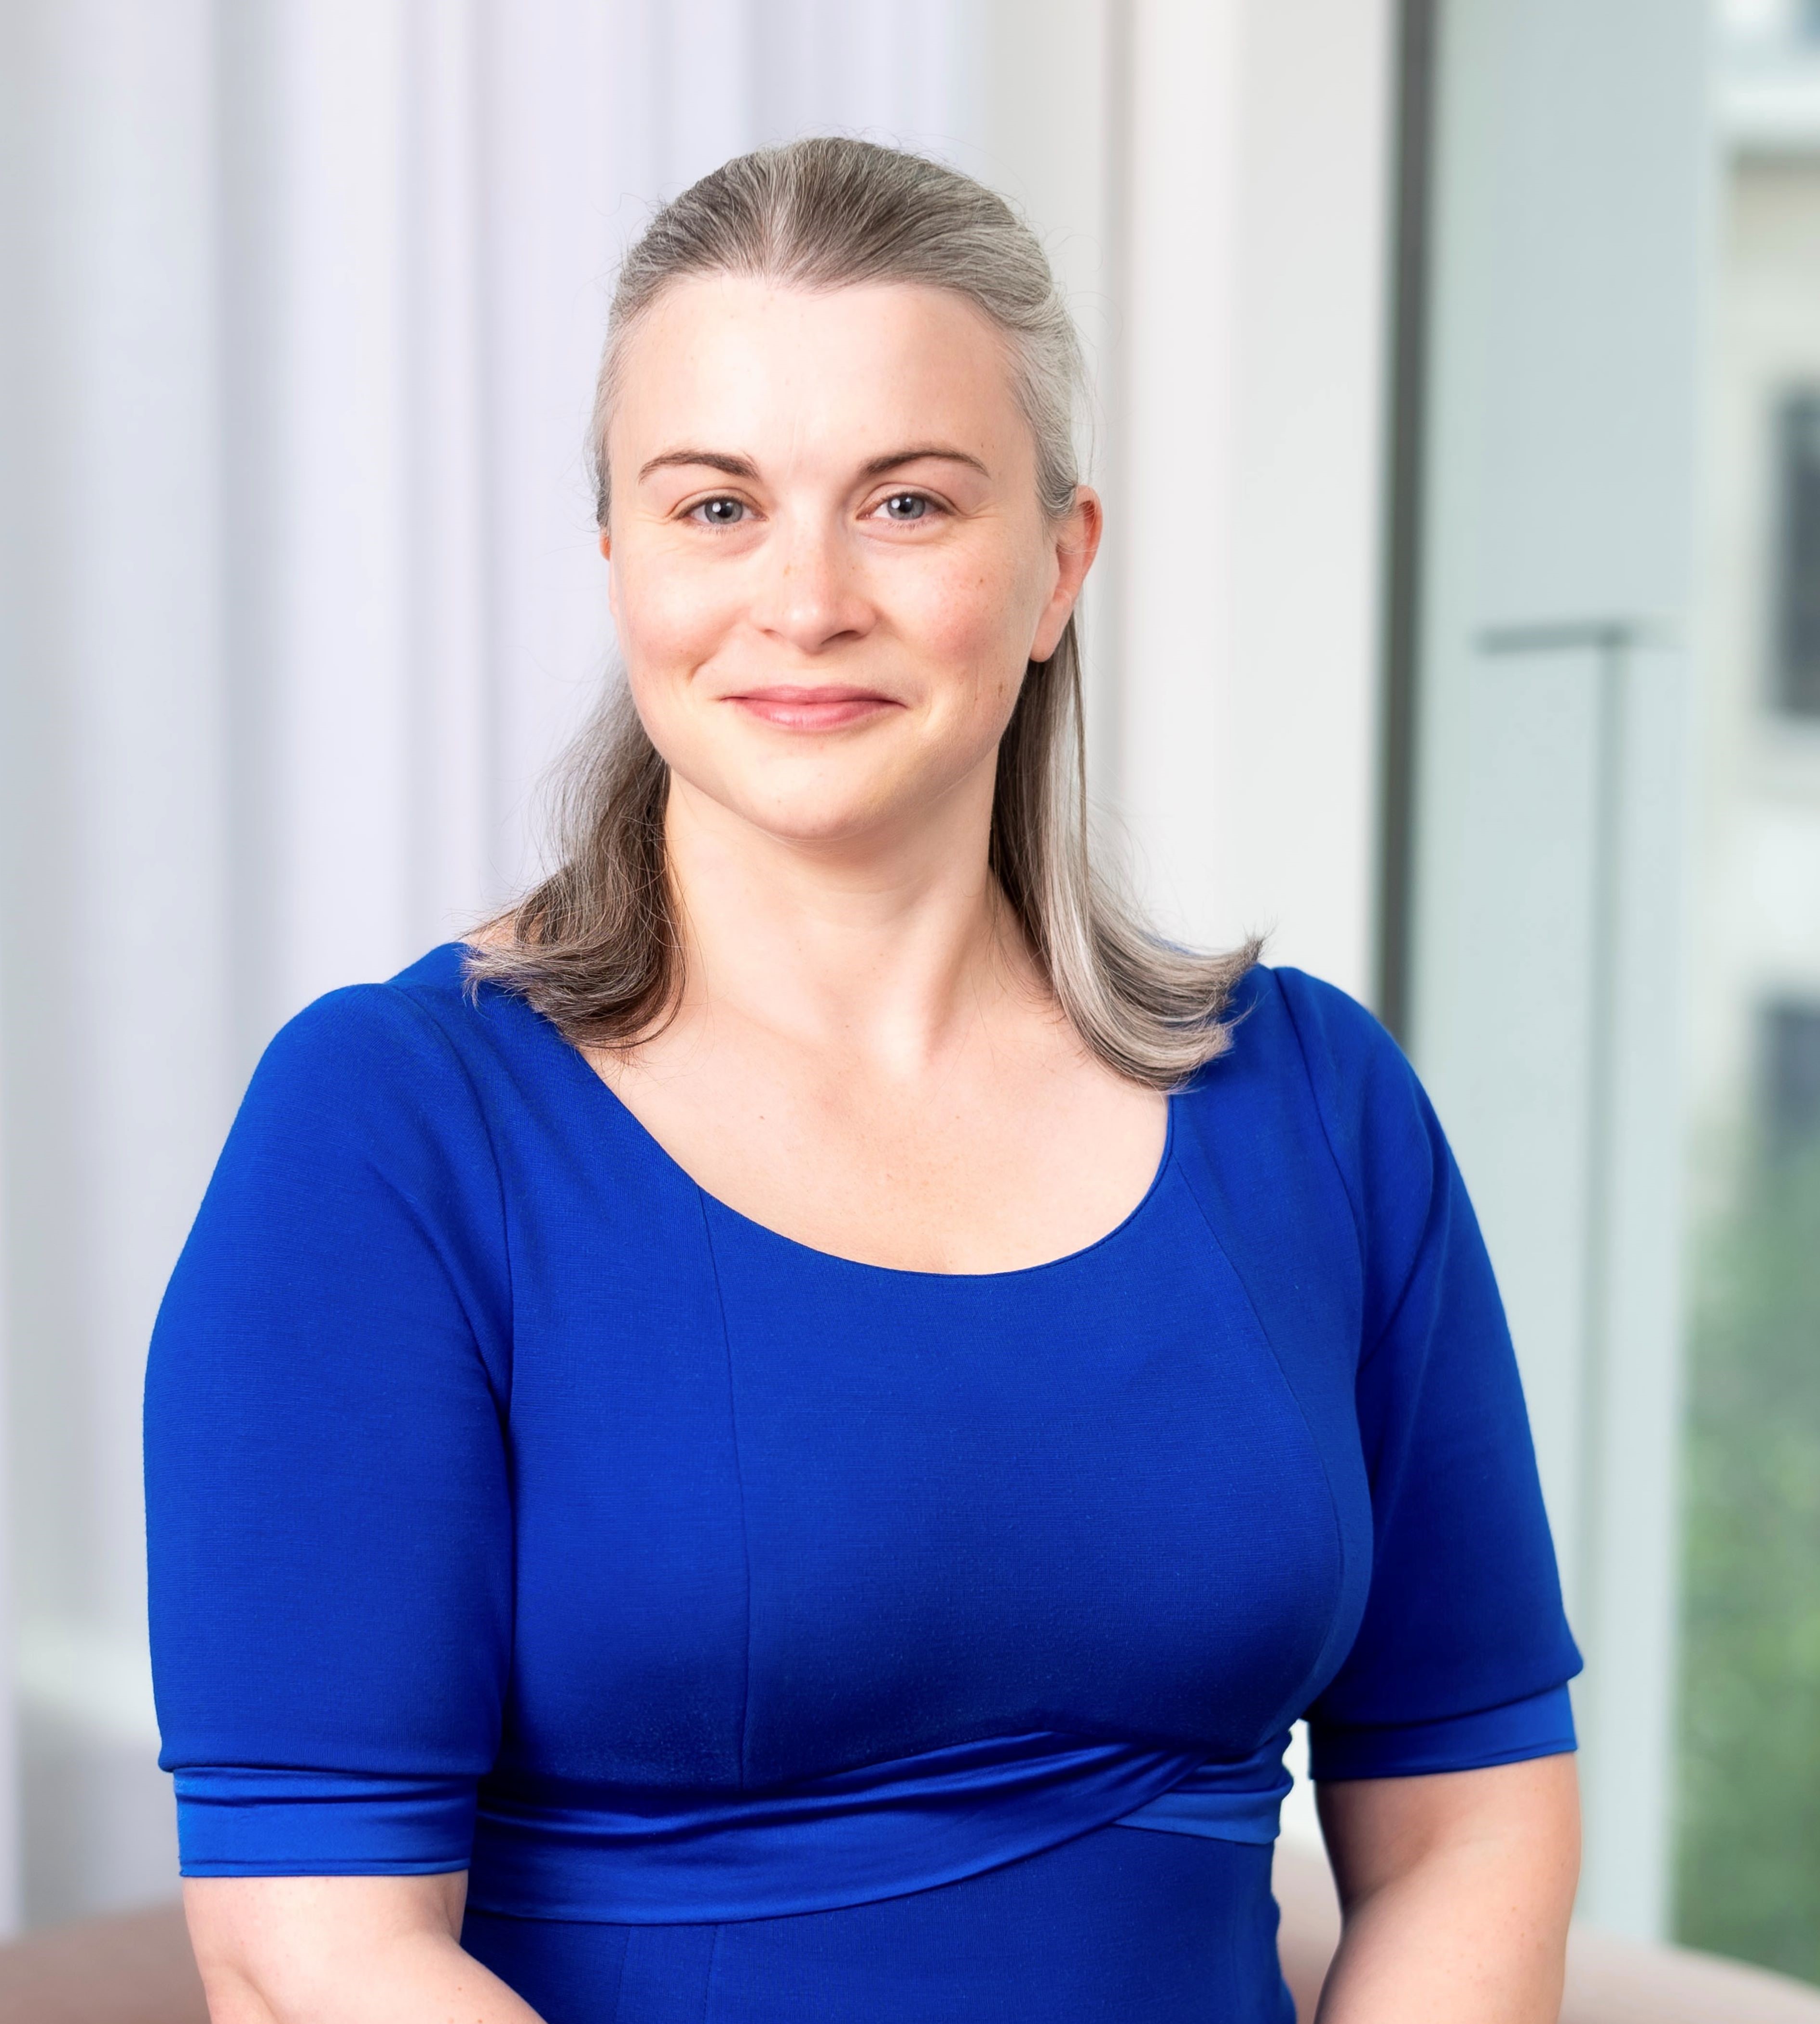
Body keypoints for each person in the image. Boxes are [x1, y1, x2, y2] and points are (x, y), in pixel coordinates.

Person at [145, 138, 1582, 2024]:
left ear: (1058, 564)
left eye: (906, 502)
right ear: (619, 561)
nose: (805, 597)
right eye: (715, 506)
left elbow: (1474, 1816)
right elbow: (308, 1948)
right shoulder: (390, 1130)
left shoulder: (1317, 1106)